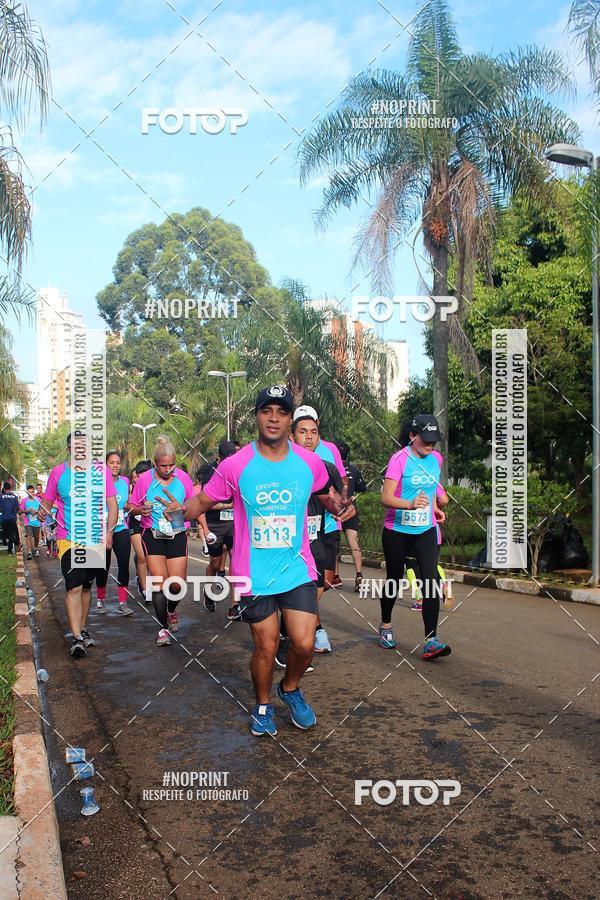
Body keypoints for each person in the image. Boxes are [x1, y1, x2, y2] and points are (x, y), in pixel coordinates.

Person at [179, 386, 351, 736]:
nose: (274, 417)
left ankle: (290, 689)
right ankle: (262, 705)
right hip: (252, 573)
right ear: (256, 416)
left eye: (281, 412)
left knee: (304, 643)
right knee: (266, 644)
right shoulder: (236, 465)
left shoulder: (309, 462)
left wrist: (340, 506)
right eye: (266, 410)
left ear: (290, 419)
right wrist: (179, 513)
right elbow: (204, 499)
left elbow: (327, 495)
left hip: (297, 567)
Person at [38, 433, 118, 658]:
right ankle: (76, 638)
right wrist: (42, 511)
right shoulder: (58, 473)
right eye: (76, 447)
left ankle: (82, 628)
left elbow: (112, 505)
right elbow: (47, 501)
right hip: (68, 539)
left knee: (85, 586)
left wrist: (109, 532)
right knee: (73, 585)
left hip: (95, 540)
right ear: (69, 449)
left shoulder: (101, 473)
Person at [380, 414, 450, 661]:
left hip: (425, 530)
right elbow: (386, 498)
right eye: (426, 440)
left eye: (434, 440)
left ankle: (431, 639)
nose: (431, 445)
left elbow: (429, 490)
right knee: (394, 579)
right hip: (397, 531)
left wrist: (433, 508)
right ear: (412, 436)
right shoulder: (399, 460)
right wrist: (409, 504)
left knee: (430, 580)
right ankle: (386, 625)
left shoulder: (436, 460)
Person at [291, 406, 348, 653]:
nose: (309, 437)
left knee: (322, 583)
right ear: (292, 435)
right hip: (293, 537)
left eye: (313, 431)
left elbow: (341, 494)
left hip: (322, 529)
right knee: (302, 586)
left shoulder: (328, 462)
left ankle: (303, 626)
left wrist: (346, 507)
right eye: (303, 431)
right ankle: (312, 629)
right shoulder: (284, 465)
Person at [128, 435, 194, 646]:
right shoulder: (145, 480)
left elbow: (193, 505)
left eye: (172, 465)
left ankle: (171, 610)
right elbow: (129, 505)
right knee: (158, 580)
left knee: (176, 585)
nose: (168, 469)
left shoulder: (183, 478)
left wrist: (183, 510)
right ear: (155, 463)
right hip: (153, 533)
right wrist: (139, 509)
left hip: (176, 532)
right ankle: (163, 629)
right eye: (163, 466)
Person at [196, 439, 236, 615]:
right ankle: (209, 592)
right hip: (214, 524)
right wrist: (228, 506)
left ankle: (235, 605)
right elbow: (206, 503)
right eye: (227, 459)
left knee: (237, 561)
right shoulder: (209, 472)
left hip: (234, 523)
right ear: (219, 459)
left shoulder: (238, 468)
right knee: (215, 562)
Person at [96, 450, 133, 615]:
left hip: (121, 528)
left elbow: (126, 504)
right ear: (105, 464)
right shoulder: (98, 483)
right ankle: (101, 600)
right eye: (112, 462)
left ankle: (123, 602)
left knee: (124, 564)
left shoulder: (125, 482)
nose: (116, 465)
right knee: (103, 566)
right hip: (102, 530)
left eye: (118, 462)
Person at [333, 441, 367, 592]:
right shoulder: (354, 469)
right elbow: (363, 487)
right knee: (354, 543)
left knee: (334, 544)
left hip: (334, 508)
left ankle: (335, 576)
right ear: (348, 454)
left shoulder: (332, 468)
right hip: (351, 509)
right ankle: (359, 575)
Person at [129, 460, 152, 602]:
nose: (142, 476)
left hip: (149, 523)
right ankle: (145, 589)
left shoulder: (155, 485)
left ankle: (144, 579)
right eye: (140, 474)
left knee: (150, 557)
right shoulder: (131, 487)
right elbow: (125, 504)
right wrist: (134, 508)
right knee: (142, 557)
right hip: (135, 523)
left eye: (146, 473)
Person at [20, 485, 41, 559]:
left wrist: (37, 511)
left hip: (37, 521)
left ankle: (35, 548)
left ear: (34, 491)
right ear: (27, 492)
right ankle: (29, 552)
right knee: (28, 536)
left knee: (37, 537)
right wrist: (28, 510)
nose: (30, 494)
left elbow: (41, 509)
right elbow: (21, 510)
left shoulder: (38, 500)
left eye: (32, 492)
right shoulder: (24, 500)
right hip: (28, 521)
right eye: (29, 492)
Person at [0, 482, 20, 554]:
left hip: (4, 518)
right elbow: (17, 508)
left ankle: (10, 549)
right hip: (12, 518)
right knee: (11, 534)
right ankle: (14, 545)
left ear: (4, 489)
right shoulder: (15, 497)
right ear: (10, 488)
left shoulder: (1, 497)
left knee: (5, 534)